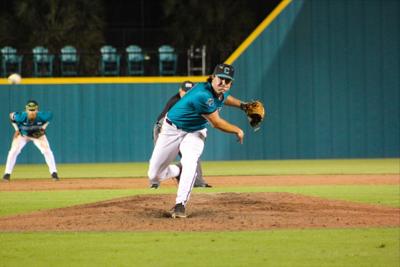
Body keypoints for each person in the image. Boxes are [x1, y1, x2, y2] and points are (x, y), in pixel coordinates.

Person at [148, 63, 246, 218]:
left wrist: (244, 106)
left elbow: (226, 98)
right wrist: (238, 130)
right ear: (213, 78)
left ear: (230, 84)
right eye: (220, 79)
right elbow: (216, 123)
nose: (223, 83)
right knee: (154, 175)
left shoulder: (219, 92)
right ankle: (178, 170)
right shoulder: (203, 95)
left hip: (195, 131)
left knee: (190, 161)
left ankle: (180, 205)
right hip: (171, 130)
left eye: (227, 81)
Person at [153, 80, 212, 188]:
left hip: (183, 129)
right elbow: (163, 122)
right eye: (185, 91)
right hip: (163, 129)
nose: (186, 93)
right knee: (161, 157)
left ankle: (198, 182)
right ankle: (155, 183)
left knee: (192, 154)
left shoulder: (195, 101)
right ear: (180, 90)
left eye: (189, 91)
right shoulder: (176, 101)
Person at [3, 100, 59, 181]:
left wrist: (43, 128)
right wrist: (16, 129)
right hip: (23, 135)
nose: (32, 112)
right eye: (30, 110)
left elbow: (50, 117)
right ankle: (7, 174)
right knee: (13, 151)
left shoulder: (43, 116)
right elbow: (11, 115)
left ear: (37, 109)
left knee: (47, 150)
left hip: (37, 135)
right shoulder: (21, 116)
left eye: (33, 110)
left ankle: (54, 173)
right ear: (26, 110)